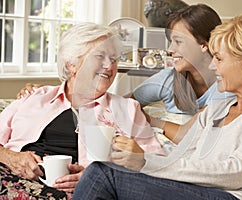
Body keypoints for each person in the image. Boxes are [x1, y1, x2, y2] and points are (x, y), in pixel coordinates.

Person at [73, 13, 242, 200]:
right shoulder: (217, 109)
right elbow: (181, 159)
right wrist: (131, 161)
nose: (212, 66)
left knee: (103, 175)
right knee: (103, 169)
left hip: (239, 197)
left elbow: (238, 172)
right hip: (202, 192)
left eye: (219, 59)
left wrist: (145, 162)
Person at [0, 23, 163, 199]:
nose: (109, 66)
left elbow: (158, 165)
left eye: (114, 59)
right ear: (71, 64)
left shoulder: (127, 109)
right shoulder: (34, 97)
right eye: (100, 56)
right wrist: (9, 157)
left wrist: (96, 179)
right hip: (11, 178)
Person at [17, 4, 234, 116]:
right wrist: (48, 95)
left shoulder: (231, 85)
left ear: (204, 44)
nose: (169, 50)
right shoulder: (169, 80)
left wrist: (153, 122)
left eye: (178, 41)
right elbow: (117, 105)